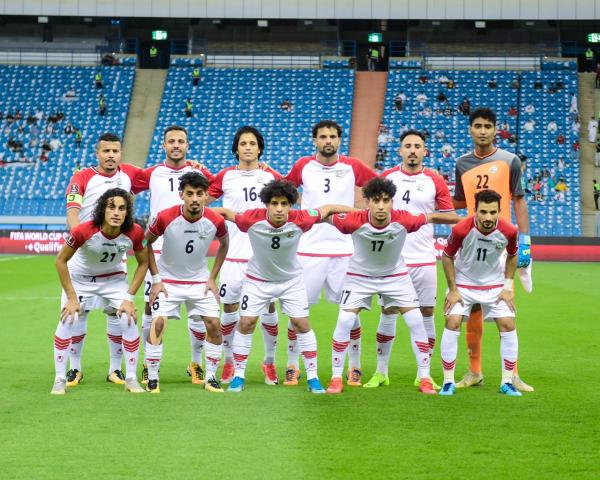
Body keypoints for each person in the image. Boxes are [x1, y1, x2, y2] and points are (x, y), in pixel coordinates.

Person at [214, 180, 353, 393]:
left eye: (284, 204)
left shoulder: (301, 218)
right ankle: (239, 376)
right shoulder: (250, 219)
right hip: (257, 281)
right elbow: (225, 212)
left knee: (301, 324)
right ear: (266, 205)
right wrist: (194, 211)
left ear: (291, 205)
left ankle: (313, 378)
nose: (279, 209)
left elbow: (328, 208)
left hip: (291, 282)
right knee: (246, 323)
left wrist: (362, 212)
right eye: (274, 203)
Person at [324, 177, 459, 395]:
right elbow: (323, 216)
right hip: (359, 277)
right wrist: (299, 218)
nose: (381, 206)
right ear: (367, 202)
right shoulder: (352, 220)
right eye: (376, 200)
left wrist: (470, 220)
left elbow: (433, 216)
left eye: (386, 200)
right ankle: (336, 377)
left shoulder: (403, 219)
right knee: (345, 320)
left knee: (416, 320)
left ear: (392, 203)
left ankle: (425, 377)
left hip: (395, 276)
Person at [285, 120, 377, 386]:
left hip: (344, 249)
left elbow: (379, 188)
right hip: (309, 249)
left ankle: (354, 366)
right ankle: (292, 365)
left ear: (339, 140)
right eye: (323, 136)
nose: (328, 141)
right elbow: (283, 191)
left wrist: (361, 212)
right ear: (315, 140)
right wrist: (302, 208)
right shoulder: (303, 165)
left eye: (333, 136)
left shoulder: (352, 166)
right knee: (298, 311)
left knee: (351, 312)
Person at [453, 107, 533, 392]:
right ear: (470, 129)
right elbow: (460, 202)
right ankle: (474, 371)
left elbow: (519, 200)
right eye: (478, 126)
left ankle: (513, 375)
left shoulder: (510, 161)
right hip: (470, 243)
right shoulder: (462, 163)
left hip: (501, 243)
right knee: (472, 309)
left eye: (488, 126)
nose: (483, 131)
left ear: (495, 129)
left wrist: (525, 241)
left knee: (505, 310)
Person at [131, 125, 214, 386]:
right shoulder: (152, 173)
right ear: (164, 145)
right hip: (157, 248)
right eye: (171, 141)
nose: (176, 145)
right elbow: (125, 185)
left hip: (190, 247)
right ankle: (148, 365)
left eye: (181, 141)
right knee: (151, 307)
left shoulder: (199, 173)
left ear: (187, 145)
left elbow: (217, 188)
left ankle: (196, 363)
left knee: (198, 311)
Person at [63, 133, 143, 387]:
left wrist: (192, 166)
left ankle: (115, 369)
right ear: (97, 153)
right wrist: (80, 237)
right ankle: (75, 368)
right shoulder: (82, 177)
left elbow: (163, 174)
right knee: (78, 314)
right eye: (106, 151)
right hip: (86, 253)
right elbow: (72, 211)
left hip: (113, 259)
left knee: (116, 314)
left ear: (121, 154)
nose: (110, 155)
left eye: (115, 151)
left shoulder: (129, 174)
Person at [51, 188, 148, 395]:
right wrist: (71, 297)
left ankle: (131, 378)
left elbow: (143, 263)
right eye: (111, 207)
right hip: (80, 279)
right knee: (68, 318)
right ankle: (59, 379)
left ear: (127, 212)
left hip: (113, 280)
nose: (116, 213)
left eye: (122, 208)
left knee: (128, 318)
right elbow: (60, 261)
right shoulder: (83, 230)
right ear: (102, 210)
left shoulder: (135, 232)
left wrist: (129, 297)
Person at [381, 130, 458, 389]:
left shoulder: (434, 180)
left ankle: (423, 373)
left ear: (425, 151)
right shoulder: (387, 177)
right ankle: (381, 372)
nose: (412, 150)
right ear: (400, 150)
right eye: (408, 146)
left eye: (417, 146)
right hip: (393, 258)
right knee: (388, 311)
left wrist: (456, 238)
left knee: (426, 312)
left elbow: (450, 216)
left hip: (424, 257)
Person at [206, 126, 282, 385]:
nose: (248, 147)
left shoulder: (271, 176)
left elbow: (289, 200)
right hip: (233, 255)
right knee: (229, 308)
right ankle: (229, 361)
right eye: (243, 143)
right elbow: (202, 200)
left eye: (252, 143)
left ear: (260, 148)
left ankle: (269, 362)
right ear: (236, 149)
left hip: (263, 256)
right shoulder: (226, 176)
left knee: (269, 307)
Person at [145, 172, 228, 393]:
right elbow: (145, 243)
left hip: (199, 281)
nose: (194, 199)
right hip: (167, 281)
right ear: (181, 194)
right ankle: (152, 378)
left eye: (199, 194)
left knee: (214, 324)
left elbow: (224, 244)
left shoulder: (215, 220)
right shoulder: (165, 217)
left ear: (206, 195)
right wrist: (156, 279)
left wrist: (212, 277)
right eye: (189, 194)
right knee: (158, 323)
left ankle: (211, 377)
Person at [439, 189, 523, 397]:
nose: (488, 217)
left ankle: (507, 382)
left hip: (494, 285)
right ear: (475, 210)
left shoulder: (509, 231)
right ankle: (448, 382)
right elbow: (447, 256)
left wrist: (507, 286)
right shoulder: (461, 229)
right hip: (464, 284)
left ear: (499, 211)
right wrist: (453, 290)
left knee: (508, 324)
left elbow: (513, 255)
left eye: (493, 212)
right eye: (483, 212)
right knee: (453, 321)